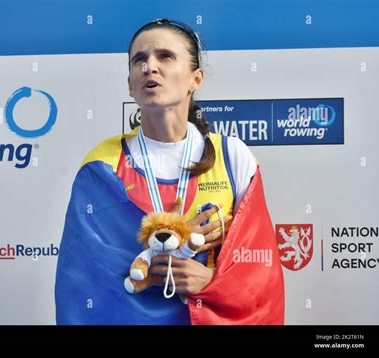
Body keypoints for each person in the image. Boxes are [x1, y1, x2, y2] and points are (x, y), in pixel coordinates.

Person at [55, 19, 284, 325]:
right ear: (129, 84)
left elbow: (260, 268)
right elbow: (85, 275)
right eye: (140, 60)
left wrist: (212, 281)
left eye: (165, 57)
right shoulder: (102, 164)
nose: (150, 67)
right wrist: (181, 242)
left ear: (196, 78)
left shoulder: (232, 157)